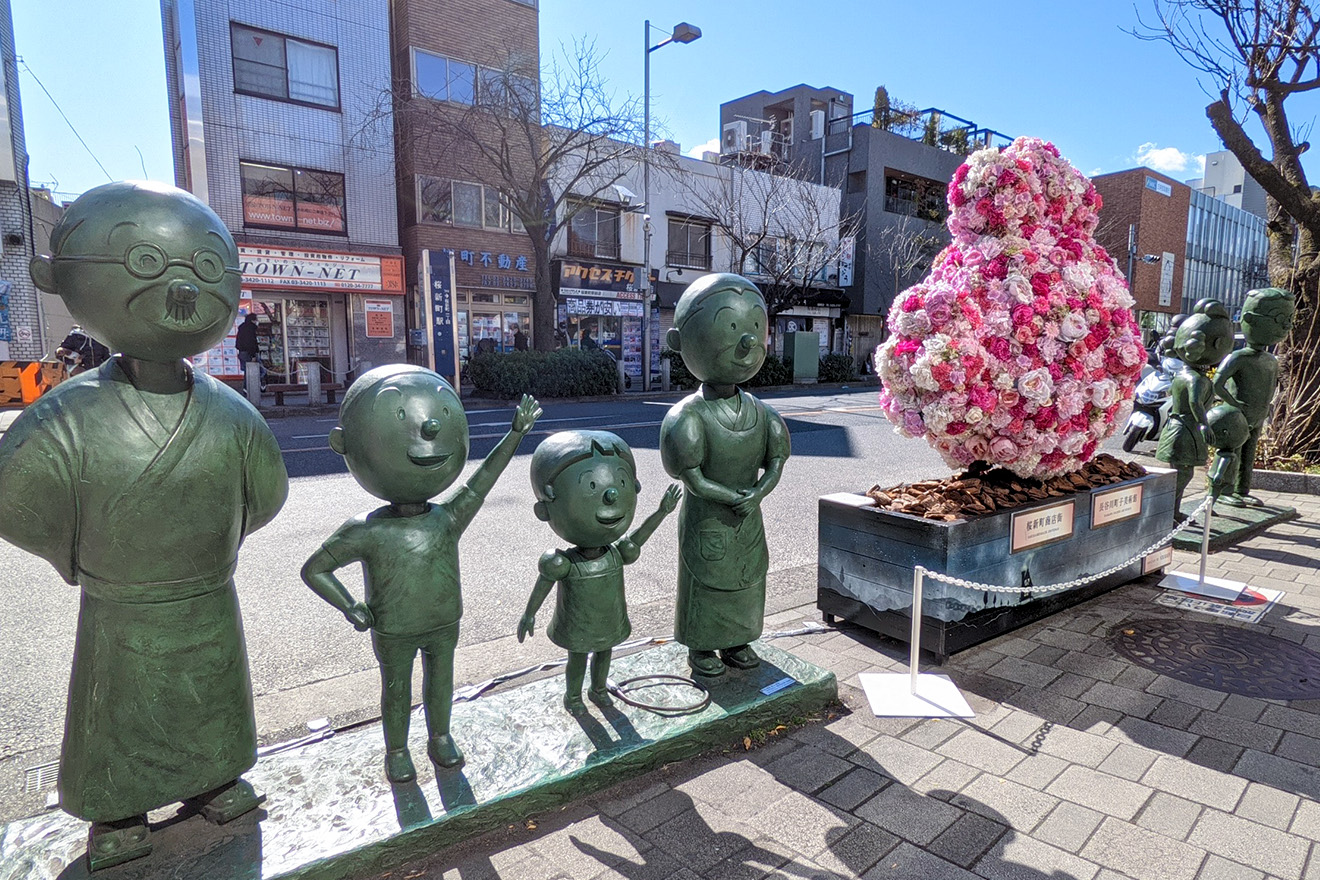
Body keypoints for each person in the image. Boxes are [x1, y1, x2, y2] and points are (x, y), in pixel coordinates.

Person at [0, 181, 288, 870]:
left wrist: (217, 540)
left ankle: (215, 778)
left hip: (206, 595)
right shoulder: (70, 414)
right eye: (149, 266)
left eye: (206, 269)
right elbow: (14, 496)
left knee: (212, 692)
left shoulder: (229, 412)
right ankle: (118, 808)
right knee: (120, 702)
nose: (184, 290)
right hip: (122, 605)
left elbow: (267, 491)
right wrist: (84, 554)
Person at [301, 367, 540, 782]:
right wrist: (350, 605)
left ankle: (440, 736)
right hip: (393, 625)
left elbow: (482, 481)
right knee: (396, 690)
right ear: (345, 444)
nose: (429, 426)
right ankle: (396, 749)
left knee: (440, 683)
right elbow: (315, 569)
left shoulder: (445, 518)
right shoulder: (367, 530)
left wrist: (516, 434)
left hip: (444, 619)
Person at [660, 273, 791, 677]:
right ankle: (700, 646)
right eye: (731, 328)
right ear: (680, 342)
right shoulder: (688, 417)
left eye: (754, 327)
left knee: (747, 580)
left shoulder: (763, 414)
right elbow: (692, 478)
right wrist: (732, 496)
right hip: (710, 519)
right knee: (705, 581)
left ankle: (738, 639)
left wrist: (757, 494)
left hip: (747, 518)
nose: (748, 341)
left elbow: (776, 462)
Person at [518, 431, 680, 712]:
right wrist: (529, 613)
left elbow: (638, 537)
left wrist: (662, 511)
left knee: (605, 652)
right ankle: (573, 696)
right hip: (577, 622)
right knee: (577, 658)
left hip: (609, 619)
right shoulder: (563, 563)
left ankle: (599, 688)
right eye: (591, 485)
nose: (612, 493)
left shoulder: (616, 554)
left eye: (620, 482)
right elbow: (543, 584)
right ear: (545, 508)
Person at [1211, 287, 1296, 507]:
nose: (1286, 325)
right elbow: (1217, 384)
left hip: (1258, 414)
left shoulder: (1271, 359)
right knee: (1232, 452)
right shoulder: (1238, 357)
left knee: (1248, 456)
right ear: (1250, 319)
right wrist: (1233, 404)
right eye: (1278, 319)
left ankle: (1242, 489)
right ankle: (1225, 491)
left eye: (1289, 319)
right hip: (1238, 416)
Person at [1155, 298, 1236, 514]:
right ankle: (1170, 512)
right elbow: (1194, 402)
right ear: (1218, 345)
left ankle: (1172, 511)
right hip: (1186, 429)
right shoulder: (1196, 379)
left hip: (1176, 427)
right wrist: (1204, 424)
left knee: (1180, 474)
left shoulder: (1182, 373)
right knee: (1183, 474)